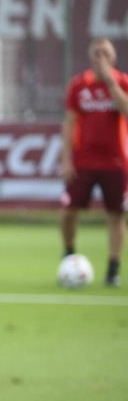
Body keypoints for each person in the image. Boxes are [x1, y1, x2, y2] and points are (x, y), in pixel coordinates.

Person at [61, 38, 128, 287]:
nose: (101, 57)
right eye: (96, 53)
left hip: (116, 162)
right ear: (90, 57)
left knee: (116, 215)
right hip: (83, 162)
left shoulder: (122, 82)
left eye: (105, 53)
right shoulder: (79, 85)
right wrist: (66, 159)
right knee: (68, 212)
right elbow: (69, 123)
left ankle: (113, 268)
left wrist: (110, 81)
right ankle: (68, 256)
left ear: (113, 57)